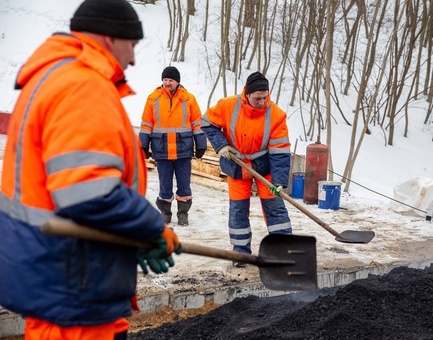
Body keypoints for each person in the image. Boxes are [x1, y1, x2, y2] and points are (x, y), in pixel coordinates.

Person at [0, 0, 181, 339]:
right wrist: (150, 228)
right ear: (110, 39)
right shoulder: (82, 86)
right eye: (132, 45)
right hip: (73, 286)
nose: (133, 59)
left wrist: (126, 237)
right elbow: (88, 193)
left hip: (64, 277)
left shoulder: (57, 76)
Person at [201, 71, 292, 267]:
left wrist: (279, 181)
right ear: (247, 95)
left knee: (275, 209)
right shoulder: (227, 105)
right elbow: (206, 122)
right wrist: (221, 145)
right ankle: (241, 252)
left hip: (264, 166)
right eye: (258, 98)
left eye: (265, 98)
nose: (262, 102)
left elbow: (280, 152)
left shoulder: (276, 115)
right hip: (236, 165)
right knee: (238, 210)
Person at [139, 66, 207, 226]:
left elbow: (197, 123)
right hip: (161, 149)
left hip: (183, 149)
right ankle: (165, 212)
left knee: (184, 184)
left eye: (170, 80)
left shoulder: (189, 99)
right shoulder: (153, 98)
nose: (167, 83)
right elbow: (146, 124)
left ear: (177, 82)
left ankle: (183, 213)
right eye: (165, 80)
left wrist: (201, 144)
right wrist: (143, 145)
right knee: (164, 184)